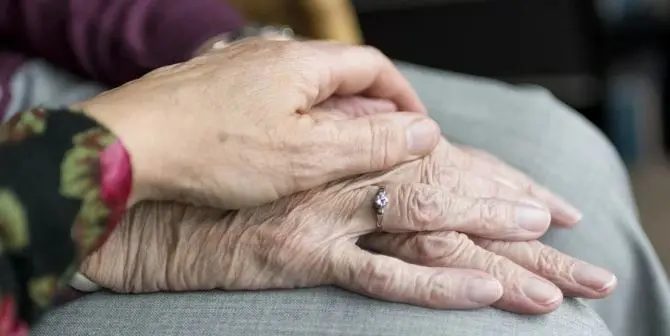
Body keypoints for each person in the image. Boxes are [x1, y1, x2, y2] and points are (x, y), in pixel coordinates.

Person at [1, 1, 668, 336]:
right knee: (502, 324)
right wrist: (127, 226)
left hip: (47, 82)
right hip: (22, 233)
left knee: (559, 154)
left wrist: (229, 58)